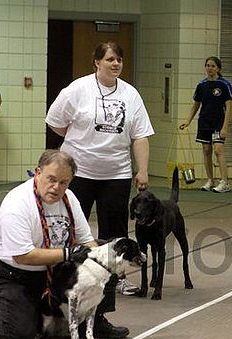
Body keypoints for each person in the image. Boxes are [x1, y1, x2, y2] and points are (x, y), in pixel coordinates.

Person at [0, 150, 129, 339]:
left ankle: (96, 319)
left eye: (64, 182)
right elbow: (22, 256)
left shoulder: (70, 199)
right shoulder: (17, 204)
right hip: (14, 275)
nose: (56, 187)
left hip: (54, 272)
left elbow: (86, 241)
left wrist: (101, 261)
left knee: (106, 256)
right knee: (21, 333)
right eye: (51, 179)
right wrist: (68, 253)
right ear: (37, 173)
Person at [45, 41, 154, 296]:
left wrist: (143, 169)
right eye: (109, 59)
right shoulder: (78, 89)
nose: (115, 64)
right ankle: (70, 274)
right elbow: (55, 122)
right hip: (79, 173)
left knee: (114, 231)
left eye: (119, 60)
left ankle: (117, 279)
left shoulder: (130, 94)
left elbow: (140, 136)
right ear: (97, 62)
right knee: (72, 226)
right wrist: (79, 139)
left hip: (116, 173)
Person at [179, 56, 232, 193]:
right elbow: (196, 105)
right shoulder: (201, 85)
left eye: (213, 66)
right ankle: (210, 180)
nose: (210, 68)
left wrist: (225, 127)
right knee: (206, 150)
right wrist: (188, 120)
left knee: (218, 150)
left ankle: (225, 182)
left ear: (218, 69)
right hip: (204, 121)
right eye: (208, 66)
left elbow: (229, 106)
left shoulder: (224, 84)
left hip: (218, 121)